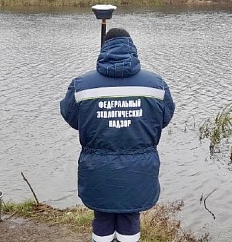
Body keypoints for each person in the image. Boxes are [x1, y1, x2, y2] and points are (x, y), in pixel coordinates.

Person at [59, 28, 175, 242]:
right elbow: (164, 118)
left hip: (97, 169)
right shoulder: (155, 85)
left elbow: (72, 117)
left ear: (104, 50)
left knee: (102, 215)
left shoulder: (82, 85)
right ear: (132, 48)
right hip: (139, 168)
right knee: (130, 215)